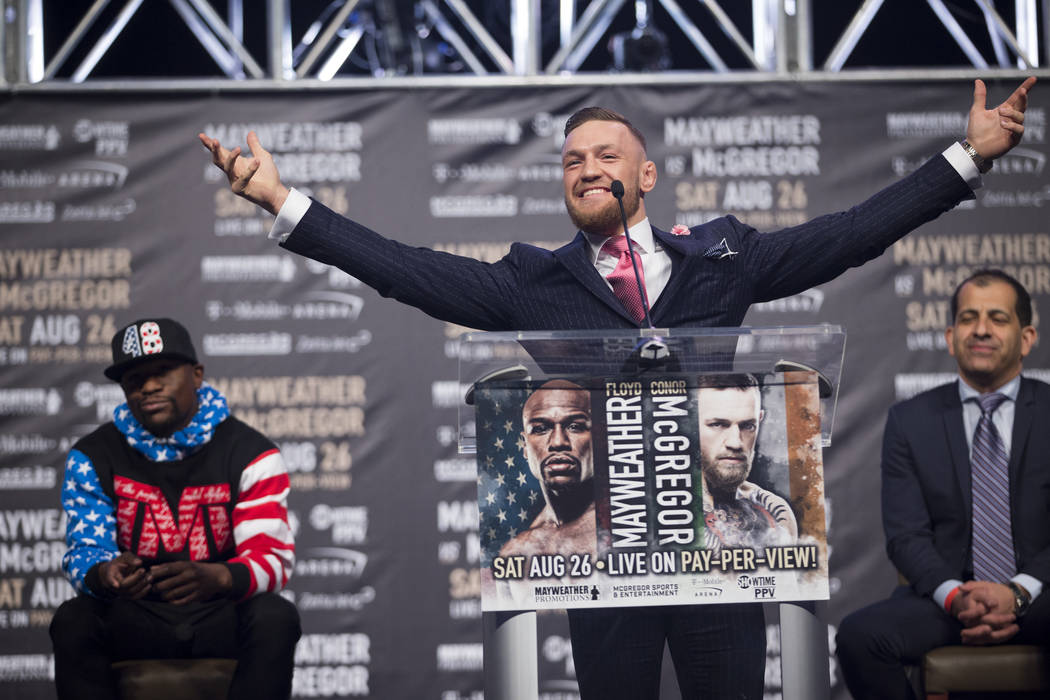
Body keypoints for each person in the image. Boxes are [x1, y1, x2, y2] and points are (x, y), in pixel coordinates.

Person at [200, 77, 1034, 700]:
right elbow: (402, 269)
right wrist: (281, 199)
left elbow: (851, 235)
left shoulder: (723, 257)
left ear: (647, 174)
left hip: (720, 559)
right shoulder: (534, 282)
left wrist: (966, 158)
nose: (587, 168)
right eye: (572, 160)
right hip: (605, 565)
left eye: (606, 156)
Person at [49, 318, 300, 700]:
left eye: (162, 372)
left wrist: (220, 577)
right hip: (136, 615)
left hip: (219, 612)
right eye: (134, 378)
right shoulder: (91, 456)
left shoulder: (253, 453)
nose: (148, 387)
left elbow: (272, 560)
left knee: (275, 616)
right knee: (74, 619)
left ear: (197, 375)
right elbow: (84, 553)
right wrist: (105, 574)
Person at [836, 269, 1050, 700]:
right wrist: (957, 599)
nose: (981, 329)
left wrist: (1017, 592)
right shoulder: (910, 421)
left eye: (998, 318)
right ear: (951, 338)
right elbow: (906, 535)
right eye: (969, 318)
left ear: (1027, 338)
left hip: (1041, 593)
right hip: (950, 600)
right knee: (860, 637)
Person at [697, 374, 796, 553]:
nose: (736, 443)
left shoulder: (774, 510)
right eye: (718, 424)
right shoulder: (661, 508)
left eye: (747, 426)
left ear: (759, 420)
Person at [499, 379, 596, 560]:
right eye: (540, 429)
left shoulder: (626, 527)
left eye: (575, 427)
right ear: (525, 446)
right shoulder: (516, 552)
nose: (558, 442)